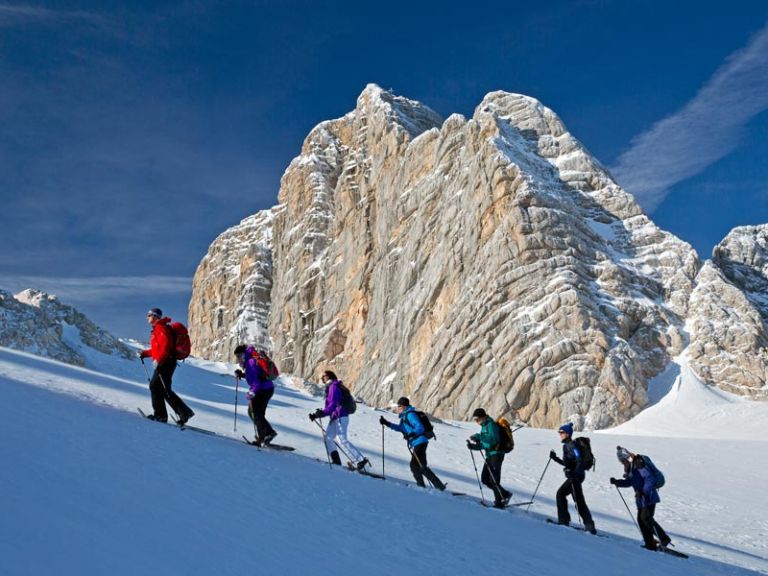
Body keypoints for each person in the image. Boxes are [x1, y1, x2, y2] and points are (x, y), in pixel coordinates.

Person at [139, 308, 194, 425]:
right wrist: (145, 353)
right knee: (162, 389)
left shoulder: (160, 328)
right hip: (166, 361)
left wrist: (159, 360)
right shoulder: (158, 329)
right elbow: (157, 349)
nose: (147, 317)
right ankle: (183, 412)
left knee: (155, 386)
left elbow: (167, 345)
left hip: (166, 362)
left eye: (149, 315)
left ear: (155, 316)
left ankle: (161, 415)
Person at [611, 446, 671, 551]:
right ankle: (649, 543)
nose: (622, 463)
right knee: (641, 519)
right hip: (641, 499)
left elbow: (650, 478)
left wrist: (644, 491)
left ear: (626, 458)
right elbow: (630, 482)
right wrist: (617, 482)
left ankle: (664, 539)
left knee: (646, 519)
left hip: (649, 497)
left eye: (622, 460)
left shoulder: (639, 464)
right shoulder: (632, 468)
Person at [380, 397, 445, 490]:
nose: (398, 408)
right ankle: (437, 486)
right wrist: (386, 423)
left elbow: (420, 427)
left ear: (404, 406)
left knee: (414, 465)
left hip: (420, 441)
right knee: (421, 466)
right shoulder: (404, 416)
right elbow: (400, 428)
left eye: (399, 406)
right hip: (417, 443)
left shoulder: (410, 415)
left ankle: (423, 486)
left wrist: (411, 434)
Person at [309, 370, 369, 470]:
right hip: (336, 417)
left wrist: (321, 413)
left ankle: (361, 460)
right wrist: (317, 415)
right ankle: (336, 461)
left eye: (323, 376)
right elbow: (331, 406)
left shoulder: (334, 387)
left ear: (328, 376)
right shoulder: (332, 387)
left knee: (342, 440)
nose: (322, 379)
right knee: (328, 437)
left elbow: (332, 405)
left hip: (340, 416)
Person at [549, 423, 595, 533]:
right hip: (575, 475)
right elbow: (567, 464)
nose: (559, 434)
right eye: (559, 432)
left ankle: (564, 520)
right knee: (578, 500)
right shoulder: (566, 445)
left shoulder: (572, 445)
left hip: (577, 476)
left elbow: (579, 459)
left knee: (561, 494)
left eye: (561, 432)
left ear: (567, 434)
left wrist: (574, 472)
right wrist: (555, 458)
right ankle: (589, 526)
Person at [467, 408, 513, 508]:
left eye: (477, 419)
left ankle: (499, 503)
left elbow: (494, 440)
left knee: (494, 480)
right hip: (490, 455)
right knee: (485, 479)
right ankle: (504, 494)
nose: (476, 421)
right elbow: (485, 444)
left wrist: (479, 437)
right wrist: (473, 447)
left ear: (483, 417)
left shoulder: (491, 425)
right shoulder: (484, 426)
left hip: (497, 454)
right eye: (475, 419)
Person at [234, 345, 277, 446]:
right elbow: (255, 376)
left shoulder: (250, 362)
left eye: (239, 356)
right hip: (265, 389)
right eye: (237, 356)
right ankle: (268, 433)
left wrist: (252, 392)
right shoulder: (251, 360)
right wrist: (242, 374)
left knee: (257, 413)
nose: (238, 359)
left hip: (263, 390)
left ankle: (262, 438)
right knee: (253, 412)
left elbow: (256, 383)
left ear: (244, 354)